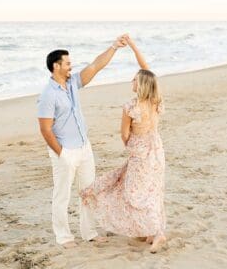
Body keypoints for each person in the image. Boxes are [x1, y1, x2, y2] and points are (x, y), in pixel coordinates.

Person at [37, 35, 127, 248]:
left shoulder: (72, 83)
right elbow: (45, 129)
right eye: (67, 63)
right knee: (62, 195)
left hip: (84, 147)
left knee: (89, 192)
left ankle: (89, 232)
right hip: (64, 152)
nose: (71, 66)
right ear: (56, 66)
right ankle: (64, 236)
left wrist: (114, 46)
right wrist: (62, 154)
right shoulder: (48, 95)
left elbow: (95, 66)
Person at [81, 35, 167, 253]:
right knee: (153, 190)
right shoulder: (156, 99)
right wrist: (134, 47)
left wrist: (131, 146)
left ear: (140, 85)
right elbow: (147, 70)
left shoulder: (130, 106)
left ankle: (158, 233)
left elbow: (124, 134)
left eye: (135, 80)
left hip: (140, 152)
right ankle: (150, 231)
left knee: (136, 193)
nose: (132, 82)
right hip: (156, 151)